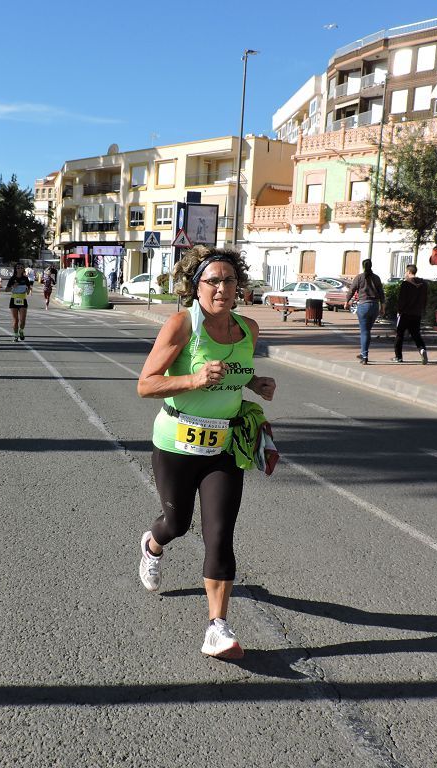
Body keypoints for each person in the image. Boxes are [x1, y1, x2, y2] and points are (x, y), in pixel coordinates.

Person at [136, 246, 276, 660]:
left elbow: (238, 373)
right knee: (177, 524)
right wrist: (194, 380)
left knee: (220, 534)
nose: (221, 287)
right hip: (177, 442)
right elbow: (146, 384)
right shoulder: (181, 325)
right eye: (212, 280)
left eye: (228, 280)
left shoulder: (248, 329)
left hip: (225, 446)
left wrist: (255, 385)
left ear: (238, 287)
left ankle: (217, 626)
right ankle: (152, 546)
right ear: (195, 287)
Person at [344, 259, 384, 365]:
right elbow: (381, 293)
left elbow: (352, 290)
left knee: (365, 331)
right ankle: (364, 353)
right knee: (367, 331)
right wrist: (383, 306)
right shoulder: (376, 278)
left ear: (363, 266)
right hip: (375, 306)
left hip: (363, 306)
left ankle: (364, 355)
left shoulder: (359, 277)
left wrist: (346, 301)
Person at [393, 264, 429, 364]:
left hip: (405, 313)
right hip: (417, 313)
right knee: (416, 334)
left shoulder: (405, 284)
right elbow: (425, 299)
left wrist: (399, 311)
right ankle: (422, 350)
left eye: (406, 272)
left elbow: (402, 299)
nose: (405, 274)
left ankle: (398, 357)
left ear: (409, 272)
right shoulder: (424, 284)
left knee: (399, 334)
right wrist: (423, 309)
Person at [5, 263, 32, 341]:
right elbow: (6, 290)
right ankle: (16, 335)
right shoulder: (12, 278)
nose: (19, 269)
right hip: (14, 300)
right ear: (15, 269)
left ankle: (21, 331)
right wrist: (13, 286)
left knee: (22, 320)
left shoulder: (25, 278)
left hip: (23, 299)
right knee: (15, 320)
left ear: (23, 269)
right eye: (18, 268)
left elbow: (28, 289)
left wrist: (27, 290)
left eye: (21, 268)